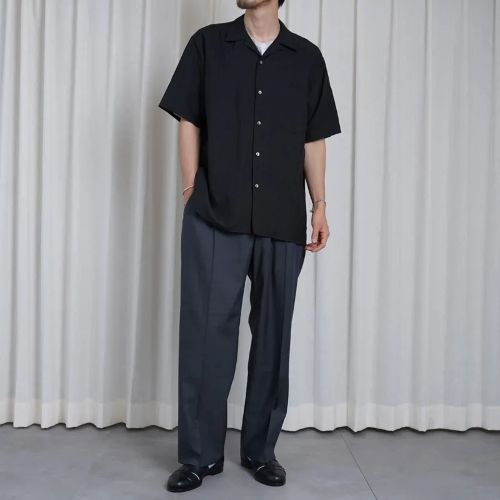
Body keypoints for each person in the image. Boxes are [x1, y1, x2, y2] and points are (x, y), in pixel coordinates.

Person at [158, 0, 341, 492]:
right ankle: (199, 456)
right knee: (205, 337)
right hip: (215, 213)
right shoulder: (208, 45)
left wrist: (319, 205)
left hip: (282, 216)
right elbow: (189, 119)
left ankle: (261, 451)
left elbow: (314, 138)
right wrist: (191, 188)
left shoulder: (307, 57)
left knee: (273, 336)